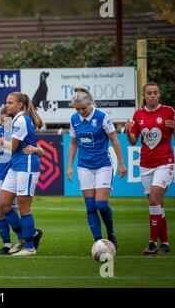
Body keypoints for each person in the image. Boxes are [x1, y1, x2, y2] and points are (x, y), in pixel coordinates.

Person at [124, 82, 175, 254]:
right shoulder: (138, 114)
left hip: (165, 161)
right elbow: (133, 141)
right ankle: (165, 243)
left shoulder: (168, 111)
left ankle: (151, 242)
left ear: (159, 94)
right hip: (145, 164)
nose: (152, 96)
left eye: (155, 93)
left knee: (154, 200)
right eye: (149, 93)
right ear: (144, 96)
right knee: (157, 205)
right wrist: (127, 131)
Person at [67, 86, 126, 249]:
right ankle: (99, 242)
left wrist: (121, 163)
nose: (81, 112)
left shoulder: (102, 117)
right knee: (90, 206)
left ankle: (111, 233)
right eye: (77, 109)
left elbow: (114, 140)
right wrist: (69, 166)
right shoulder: (74, 119)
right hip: (84, 166)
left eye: (83, 108)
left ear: (90, 103)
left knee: (101, 204)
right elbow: (73, 143)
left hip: (103, 165)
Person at [0, 107, 44, 255]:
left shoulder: (20, 123)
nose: (2, 123)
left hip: (23, 168)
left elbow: (33, 148)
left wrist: (37, 150)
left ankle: (29, 245)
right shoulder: (3, 129)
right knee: (3, 206)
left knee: (22, 206)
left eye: (4, 120)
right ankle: (28, 235)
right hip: (10, 171)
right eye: (0, 120)